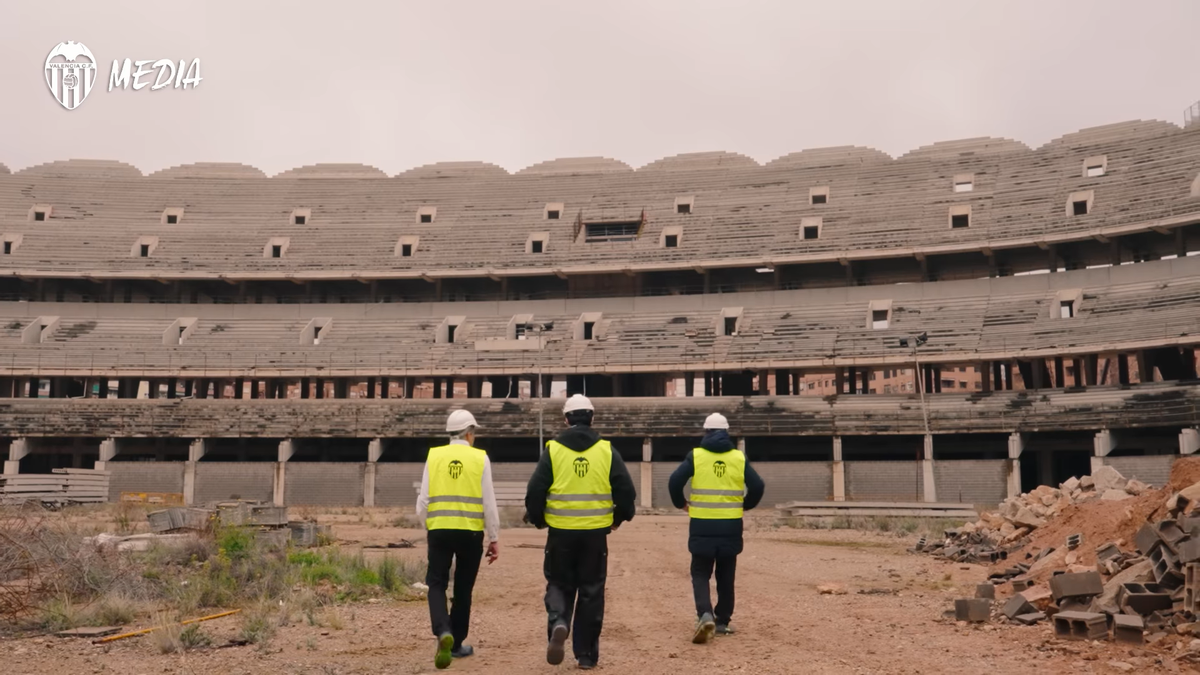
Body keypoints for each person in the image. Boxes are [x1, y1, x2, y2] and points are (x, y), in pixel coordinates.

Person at [524, 394, 637, 670]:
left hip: (560, 533)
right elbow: (626, 492)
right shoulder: (607, 451)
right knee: (591, 591)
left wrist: (538, 519)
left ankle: (559, 621)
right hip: (595, 536)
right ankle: (586, 655)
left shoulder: (552, 450)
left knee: (559, 584)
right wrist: (619, 517)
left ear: (566, 419)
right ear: (592, 417)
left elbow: (535, 491)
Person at [668, 412, 765, 644]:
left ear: (706, 432)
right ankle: (722, 621)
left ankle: (704, 614)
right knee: (726, 573)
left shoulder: (696, 456)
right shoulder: (738, 458)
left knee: (700, 572)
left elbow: (674, 481)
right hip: (731, 524)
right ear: (726, 432)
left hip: (702, 523)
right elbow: (757, 486)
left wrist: (681, 504)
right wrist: (745, 505)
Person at [416, 409, 501, 669]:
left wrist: (427, 526)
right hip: (470, 533)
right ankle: (456, 644)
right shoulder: (480, 458)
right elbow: (489, 502)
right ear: (469, 433)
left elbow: (423, 500)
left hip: (439, 530)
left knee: (437, 583)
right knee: (463, 589)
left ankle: (443, 631)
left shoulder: (435, 455)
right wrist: (494, 537)